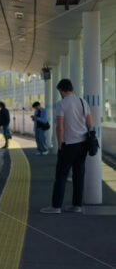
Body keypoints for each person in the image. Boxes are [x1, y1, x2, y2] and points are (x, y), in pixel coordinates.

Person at [40, 79, 92, 214]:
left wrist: (59, 144)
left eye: (60, 91)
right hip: (83, 144)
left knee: (61, 175)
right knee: (78, 175)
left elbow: (60, 127)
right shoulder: (82, 101)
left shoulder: (61, 104)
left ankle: (56, 206)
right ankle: (77, 205)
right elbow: (89, 123)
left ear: (62, 90)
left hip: (68, 144)